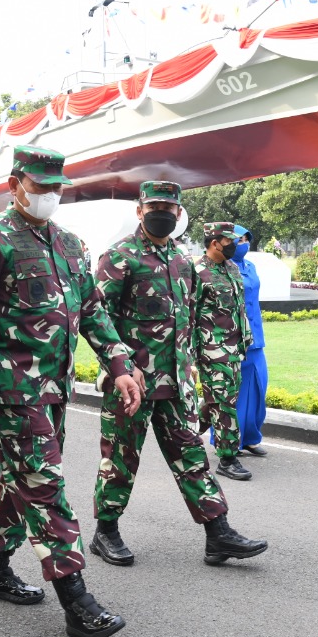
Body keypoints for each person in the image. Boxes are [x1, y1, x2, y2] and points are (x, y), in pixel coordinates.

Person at [0, 144, 142, 637]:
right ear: (16, 184)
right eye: (41, 187)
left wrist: (120, 364)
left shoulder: (72, 245)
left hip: (56, 387)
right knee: (44, 482)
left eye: (58, 187)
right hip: (14, 388)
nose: (50, 196)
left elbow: (94, 313)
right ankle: (76, 599)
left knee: (22, 479)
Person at [90, 182, 267, 567]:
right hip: (132, 384)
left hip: (175, 384)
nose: (163, 213)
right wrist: (119, 365)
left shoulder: (183, 261)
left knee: (191, 456)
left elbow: (188, 321)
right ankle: (106, 531)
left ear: (178, 213)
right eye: (155, 206)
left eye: (170, 208)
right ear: (140, 210)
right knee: (121, 459)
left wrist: (195, 372)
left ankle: (217, 532)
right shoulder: (120, 257)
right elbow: (96, 318)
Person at [194, 222, 255, 481]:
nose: (236, 246)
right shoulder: (196, 272)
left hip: (235, 347)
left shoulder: (231, 268)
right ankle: (227, 459)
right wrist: (192, 355)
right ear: (215, 242)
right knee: (226, 404)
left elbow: (238, 308)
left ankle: (188, 428)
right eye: (230, 241)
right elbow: (188, 315)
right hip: (213, 349)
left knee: (219, 399)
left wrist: (246, 338)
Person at [231, 225, 269, 456]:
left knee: (258, 386)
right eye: (238, 239)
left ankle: (251, 438)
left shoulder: (250, 266)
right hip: (234, 337)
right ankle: (229, 441)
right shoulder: (222, 268)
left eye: (247, 239)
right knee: (234, 391)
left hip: (256, 337)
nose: (244, 243)